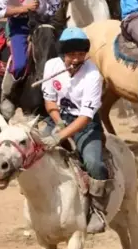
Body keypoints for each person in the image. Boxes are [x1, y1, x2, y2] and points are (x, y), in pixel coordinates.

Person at [40, 27, 109, 234]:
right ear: (63, 54)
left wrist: (61, 136)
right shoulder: (52, 66)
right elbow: (49, 100)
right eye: (71, 55)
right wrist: (58, 122)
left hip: (84, 124)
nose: (76, 60)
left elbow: (86, 116)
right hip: (59, 118)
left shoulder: (93, 76)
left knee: (94, 163)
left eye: (81, 55)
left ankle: (98, 208)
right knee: (35, 153)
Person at [0, 0, 60, 120]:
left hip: (44, 22)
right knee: (20, 63)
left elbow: (56, 4)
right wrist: (23, 9)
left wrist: (45, 13)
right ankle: (9, 96)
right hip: (20, 24)